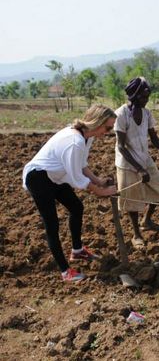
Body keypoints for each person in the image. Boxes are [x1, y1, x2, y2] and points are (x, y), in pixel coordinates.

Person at [23, 104, 118, 282]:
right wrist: (101, 191)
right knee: (52, 225)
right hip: (39, 178)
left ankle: (77, 251)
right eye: (107, 127)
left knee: (76, 207)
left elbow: (81, 165)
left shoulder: (86, 137)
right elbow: (76, 178)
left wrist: (98, 181)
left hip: (56, 176)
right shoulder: (74, 142)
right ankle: (66, 271)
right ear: (96, 122)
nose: (108, 132)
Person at [114, 77, 159, 248]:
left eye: (147, 97)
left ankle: (146, 221)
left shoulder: (147, 113)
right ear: (134, 96)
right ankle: (136, 234)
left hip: (144, 158)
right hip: (128, 163)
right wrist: (140, 169)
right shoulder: (121, 114)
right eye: (143, 97)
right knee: (132, 202)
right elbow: (121, 147)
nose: (146, 100)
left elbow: (154, 137)